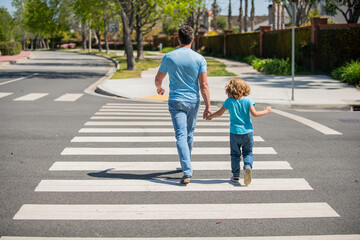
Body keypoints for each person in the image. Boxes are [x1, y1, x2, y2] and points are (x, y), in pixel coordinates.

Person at [154, 25, 211, 185]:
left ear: (178, 39)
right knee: (189, 134)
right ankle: (186, 164)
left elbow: (158, 79)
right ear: (193, 39)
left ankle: (186, 169)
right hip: (193, 101)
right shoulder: (200, 59)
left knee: (180, 135)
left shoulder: (169, 57)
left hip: (176, 101)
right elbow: (204, 85)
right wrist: (208, 106)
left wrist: (159, 88)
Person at [206, 78, 271, 185]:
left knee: (235, 154)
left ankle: (236, 176)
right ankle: (247, 166)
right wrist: (267, 111)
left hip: (234, 132)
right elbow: (255, 114)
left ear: (230, 89)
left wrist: (211, 116)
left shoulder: (229, 102)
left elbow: (219, 113)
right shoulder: (248, 100)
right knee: (248, 152)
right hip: (247, 132)